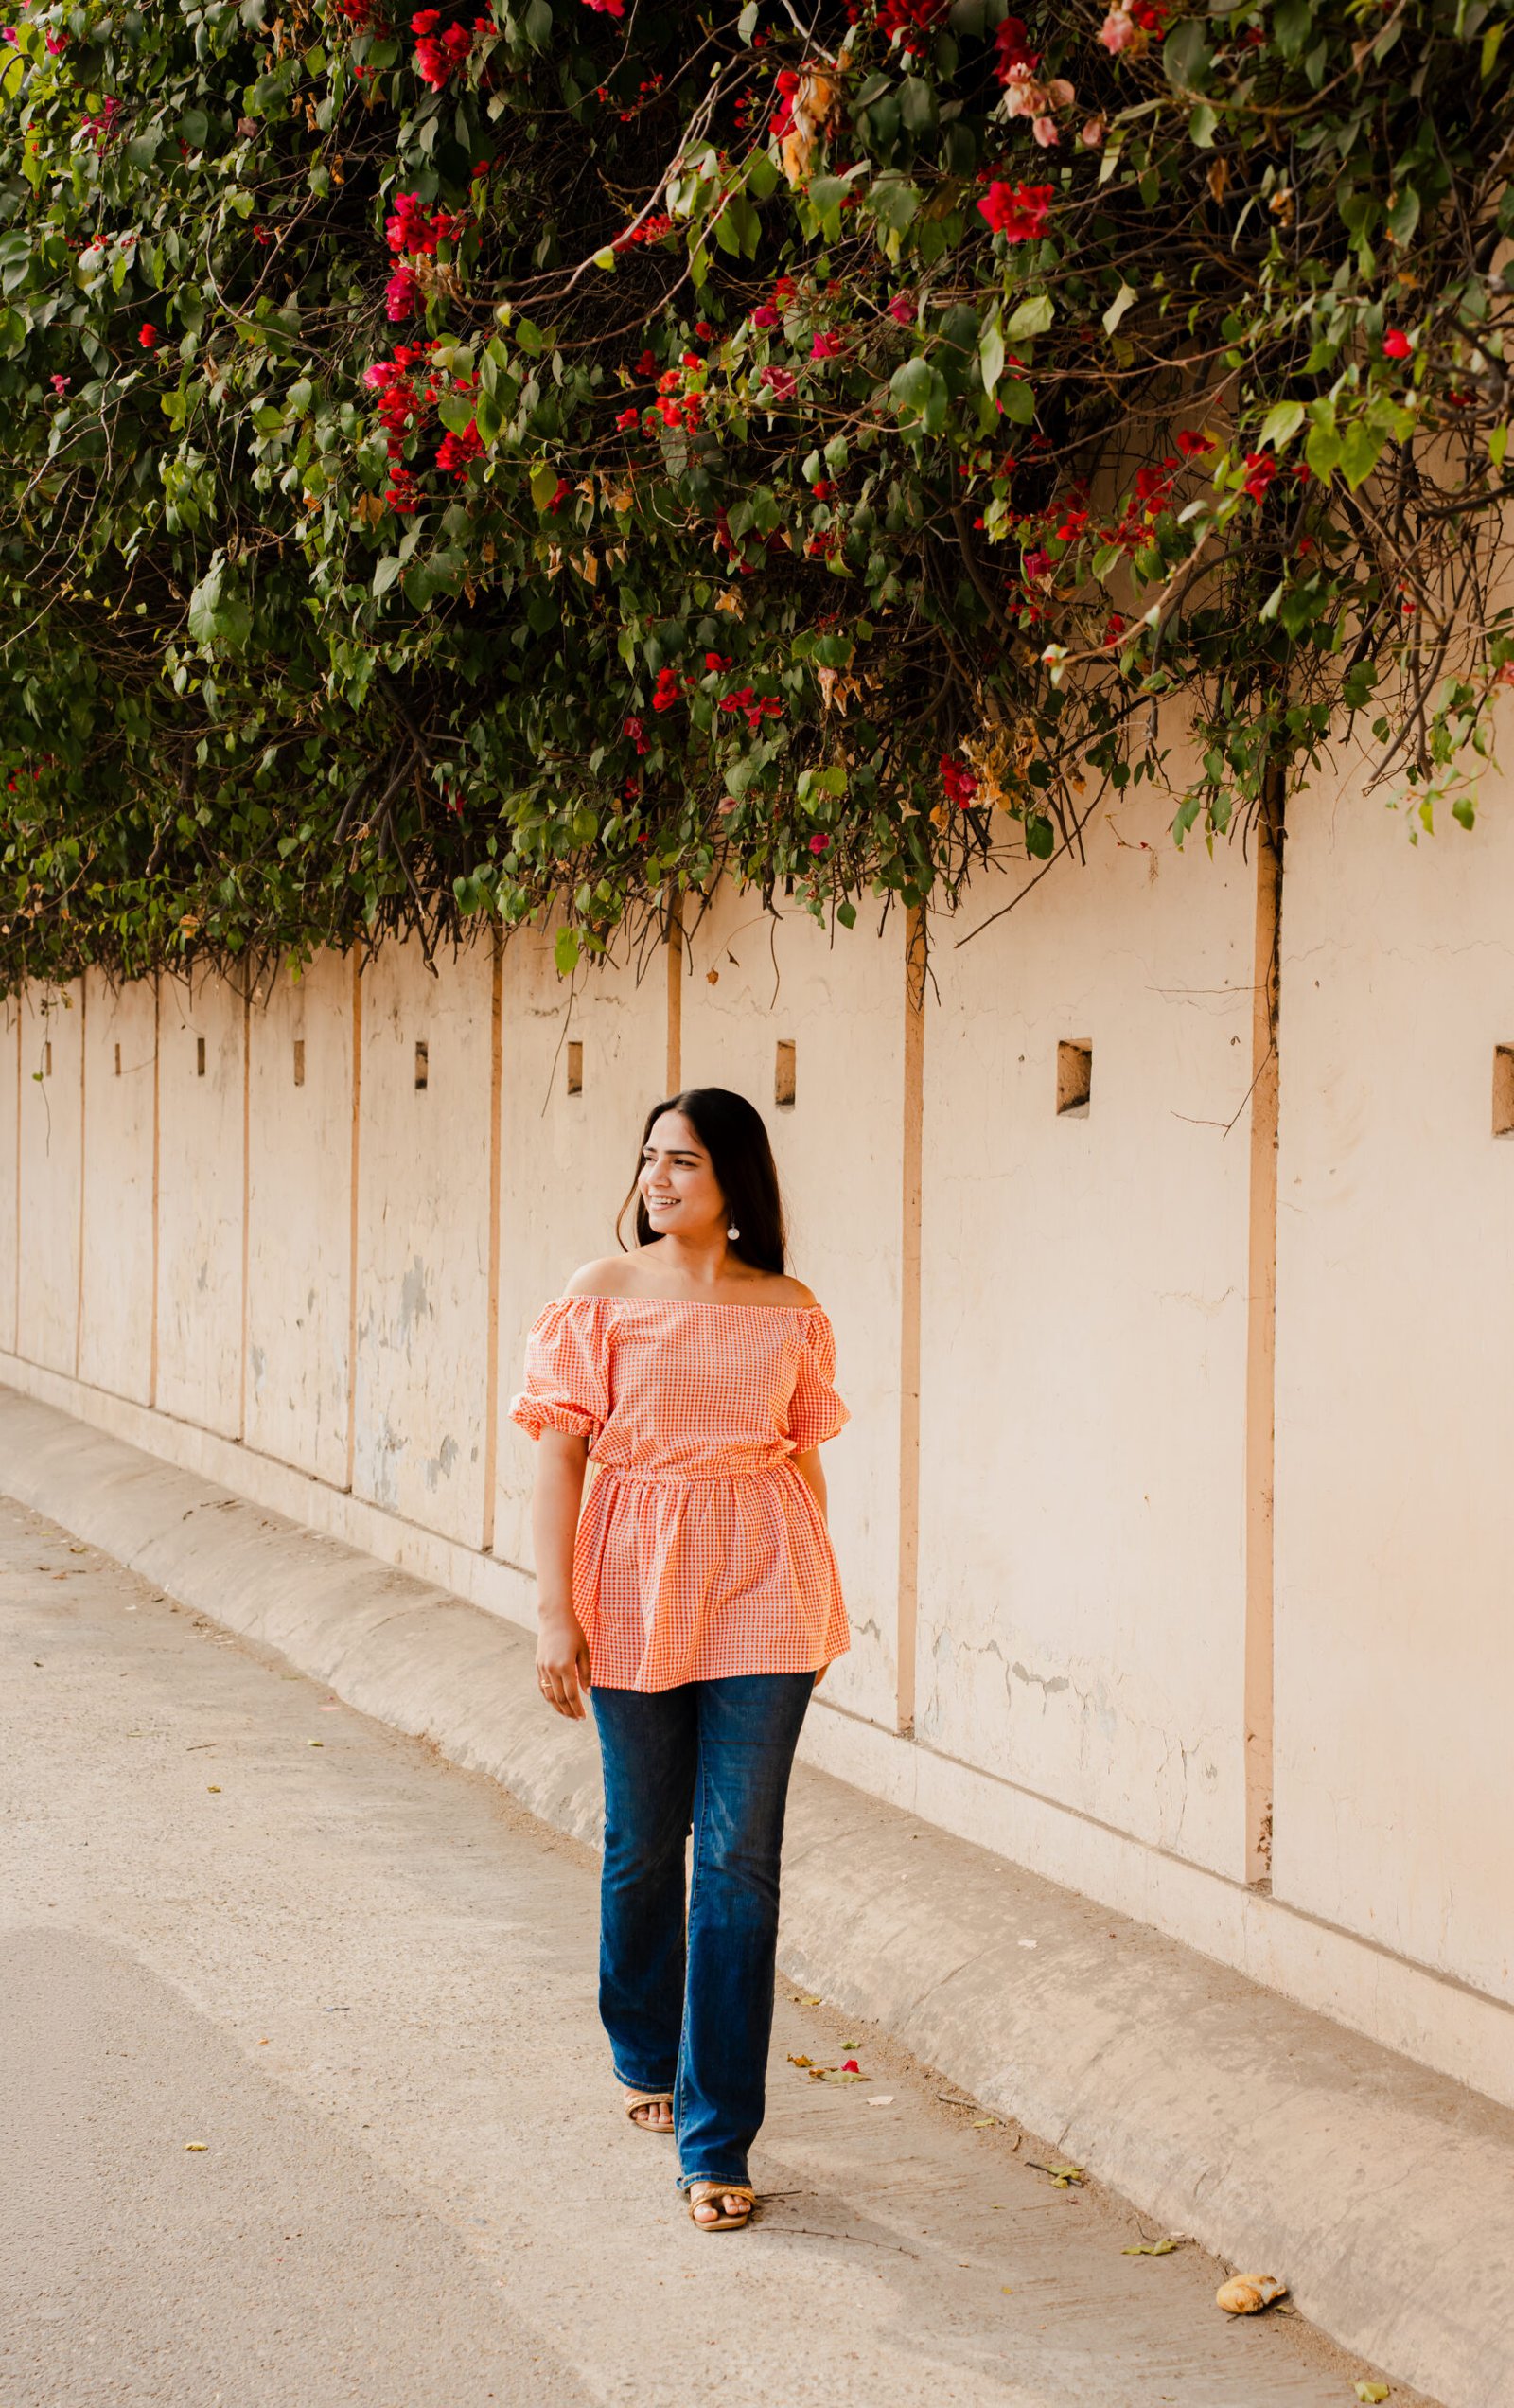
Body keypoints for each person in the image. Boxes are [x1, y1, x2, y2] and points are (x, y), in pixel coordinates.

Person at [508, 1086, 850, 2232]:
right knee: (643, 1841)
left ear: (734, 1179)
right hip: (634, 1582)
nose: (656, 1180)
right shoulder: (597, 1297)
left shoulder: (788, 1308)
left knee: (740, 1863)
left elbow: (800, 1463)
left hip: (766, 1590)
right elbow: (560, 1459)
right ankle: (644, 2044)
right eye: (649, 1158)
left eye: (683, 1163)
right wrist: (554, 1613)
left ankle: (717, 2141)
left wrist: (822, 1607)